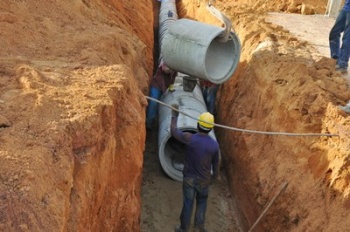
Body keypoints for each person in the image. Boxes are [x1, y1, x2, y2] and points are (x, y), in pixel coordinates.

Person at [170, 105, 220, 232]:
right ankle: (199, 228)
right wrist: (214, 177)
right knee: (202, 202)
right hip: (204, 180)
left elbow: (174, 132)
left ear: (198, 125)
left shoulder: (190, 138)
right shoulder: (214, 145)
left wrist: (174, 116)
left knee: (188, 203)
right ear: (211, 128)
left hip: (189, 179)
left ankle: (183, 229)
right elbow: (216, 164)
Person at [146, 60, 177, 129]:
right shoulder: (165, 61)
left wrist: (171, 87)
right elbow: (166, 70)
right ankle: (149, 123)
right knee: (153, 103)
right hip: (156, 85)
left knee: (157, 105)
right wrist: (174, 68)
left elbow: (174, 76)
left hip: (163, 88)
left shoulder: (176, 65)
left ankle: (155, 122)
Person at [329, 0, 350, 72]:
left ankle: (343, 64)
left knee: (347, 38)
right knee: (334, 33)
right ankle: (335, 58)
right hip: (346, 8)